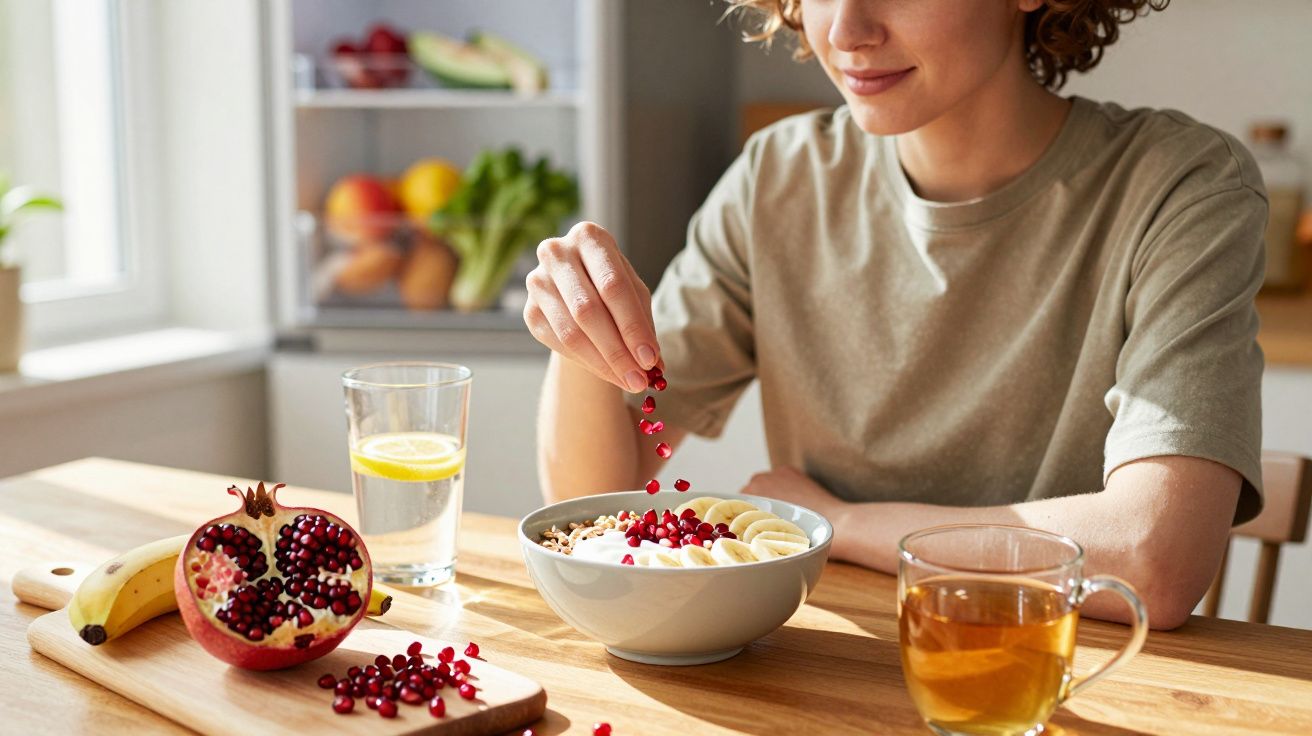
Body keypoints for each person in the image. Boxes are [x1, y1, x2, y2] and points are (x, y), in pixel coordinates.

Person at [523, 0, 1266, 630]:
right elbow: (589, 503)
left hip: (1057, 678)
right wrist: (579, 336)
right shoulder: (777, 179)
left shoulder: (1181, 188)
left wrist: (841, 525)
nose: (846, 31)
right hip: (830, 670)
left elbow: (1153, 557)